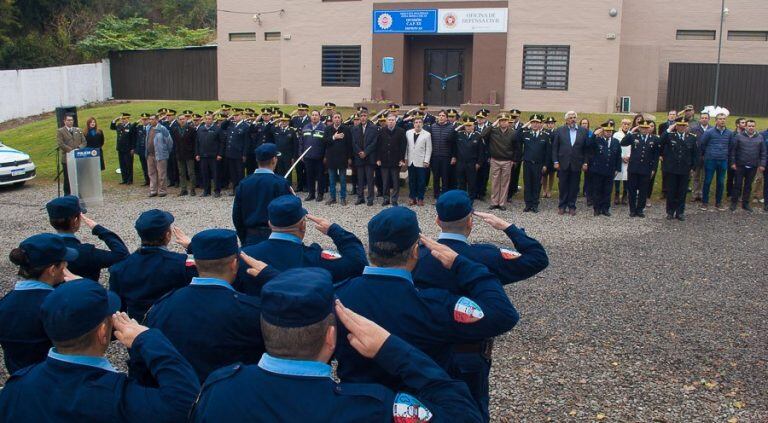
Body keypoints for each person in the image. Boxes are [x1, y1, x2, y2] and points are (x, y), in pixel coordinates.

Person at [190, 268, 481, 422]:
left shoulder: (219, 389)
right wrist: (391, 347)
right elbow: (463, 415)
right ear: (332, 338)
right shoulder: (370, 407)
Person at [334, 207, 519, 388]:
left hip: (356, 405)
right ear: (416, 251)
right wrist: (461, 264)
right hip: (424, 405)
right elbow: (503, 315)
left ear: (370, 250)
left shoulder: (337, 297)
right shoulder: (433, 305)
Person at [413, 190, 548, 421]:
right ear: (470, 222)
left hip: (427, 349)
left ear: (437, 220)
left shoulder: (420, 257)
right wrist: (508, 227)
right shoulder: (485, 256)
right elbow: (537, 258)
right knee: (473, 410)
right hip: (470, 352)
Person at [0, 280, 200, 422]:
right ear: (103, 331)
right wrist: (147, 338)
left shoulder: (16, 387)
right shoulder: (119, 399)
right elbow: (186, 402)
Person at [134, 229, 269, 384]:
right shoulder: (252, 311)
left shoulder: (162, 306)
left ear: (196, 264)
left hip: (179, 392)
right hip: (234, 395)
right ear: (234, 264)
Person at [236, 195, 367, 295]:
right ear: (303, 225)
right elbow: (358, 263)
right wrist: (334, 230)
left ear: (270, 224)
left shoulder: (247, 256)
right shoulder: (315, 258)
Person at [0, 234, 78, 374]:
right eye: (64, 262)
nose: (66, 265)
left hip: (18, 378)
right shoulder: (57, 305)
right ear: (52, 270)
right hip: (54, 379)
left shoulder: (5, 303)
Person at [108, 209, 197, 321]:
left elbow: (118, 311)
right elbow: (210, 269)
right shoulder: (180, 264)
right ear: (168, 235)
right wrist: (191, 246)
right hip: (176, 324)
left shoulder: (119, 269)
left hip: (139, 328)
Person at [46, 195, 128, 281]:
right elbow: (122, 254)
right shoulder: (87, 252)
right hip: (85, 293)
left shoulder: (42, 248)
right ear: (75, 220)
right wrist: (98, 229)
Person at [233, 144, 292, 246]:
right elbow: (288, 213)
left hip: (250, 235)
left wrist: (244, 237)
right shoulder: (280, 183)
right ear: (274, 159)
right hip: (276, 236)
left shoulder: (244, 183)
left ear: (257, 160)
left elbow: (237, 215)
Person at [659, 117, 698, 220]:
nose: (681, 127)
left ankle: (680, 212)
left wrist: (693, 167)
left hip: (685, 169)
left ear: (686, 126)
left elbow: (695, 154)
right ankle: (670, 212)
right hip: (671, 168)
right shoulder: (670, 136)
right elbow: (660, 141)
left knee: (682, 191)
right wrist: (668, 130)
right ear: (676, 126)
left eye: (683, 125)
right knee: (671, 191)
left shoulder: (692, 138)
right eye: (679, 125)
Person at [552, 111, 589, 215]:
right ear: (566, 120)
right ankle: (562, 205)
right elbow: (555, 148)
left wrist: (585, 162)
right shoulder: (560, 130)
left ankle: (572, 206)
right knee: (563, 185)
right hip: (563, 162)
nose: (572, 119)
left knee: (574, 186)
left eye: (574, 117)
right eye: (570, 117)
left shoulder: (583, 131)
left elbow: (586, 149)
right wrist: (555, 161)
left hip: (577, 163)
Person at [621, 119, 660, 218]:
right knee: (632, 190)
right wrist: (631, 131)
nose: (644, 130)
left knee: (643, 190)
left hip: (646, 168)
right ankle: (632, 210)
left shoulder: (654, 139)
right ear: (639, 128)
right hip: (634, 168)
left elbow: (656, 156)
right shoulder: (634, 136)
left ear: (649, 129)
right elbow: (623, 142)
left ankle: (640, 209)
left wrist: (653, 169)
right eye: (642, 127)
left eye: (646, 128)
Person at [483, 112, 521, 211]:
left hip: (507, 160)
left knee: (505, 182)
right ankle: (494, 202)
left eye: (505, 121)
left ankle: (502, 203)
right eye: (501, 121)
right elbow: (483, 135)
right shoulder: (493, 131)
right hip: (495, 159)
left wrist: (514, 160)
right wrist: (492, 125)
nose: (503, 123)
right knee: (495, 181)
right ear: (498, 122)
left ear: (508, 122)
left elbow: (517, 148)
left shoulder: (513, 133)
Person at [700, 113, 735, 211]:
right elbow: (702, 144)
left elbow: (731, 146)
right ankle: (705, 202)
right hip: (710, 160)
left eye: (724, 119)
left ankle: (718, 202)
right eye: (720, 119)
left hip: (723, 160)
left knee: (720, 182)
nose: (722, 121)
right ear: (716, 121)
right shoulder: (709, 132)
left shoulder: (730, 133)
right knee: (707, 181)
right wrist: (706, 155)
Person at [729, 120, 766, 212]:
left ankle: (745, 204)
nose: (751, 127)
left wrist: (762, 164)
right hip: (740, 165)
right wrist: (733, 163)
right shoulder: (739, 136)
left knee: (748, 186)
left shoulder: (760, 137)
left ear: (755, 127)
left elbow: (763, 153)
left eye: (753, 126)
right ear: (745, 127)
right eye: (749, 126)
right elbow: (733, 151)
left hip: (753, 166)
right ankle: (734, 203)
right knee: (737, 184)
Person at [586, 122, 622, 216]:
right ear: (603, 131)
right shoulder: (597, 140)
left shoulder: (616, 142)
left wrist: (617, 168)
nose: (608, 132)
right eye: (606, 131)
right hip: (598, 170)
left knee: (607, 191)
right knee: (597, 190)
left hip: (610, 170)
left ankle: (605, 208)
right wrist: (594, 134)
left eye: (610, 131)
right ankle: (597, 208)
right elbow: (588, 144)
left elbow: (618, 156)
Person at [519, 114, 552, 213]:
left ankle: (535, 204)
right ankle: (528, 204)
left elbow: (548, 152)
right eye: (533, 122)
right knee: (528, 184)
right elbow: (515, 137)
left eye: (537, 122)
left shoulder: (545, 136)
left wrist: (546, 165)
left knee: (537, 184)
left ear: (540, 124)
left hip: (539, 164)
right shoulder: (526, 134)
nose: (535, 124)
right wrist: (524, 126)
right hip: (528, 163)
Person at [376, 114, 407, 206]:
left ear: (395, 121)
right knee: (385, 181)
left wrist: (402, 159)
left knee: (395, 181)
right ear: (386, 121)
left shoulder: (401, 131)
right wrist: (378, 159)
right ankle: (386, 199)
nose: (391, 121)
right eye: (389, 120)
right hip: (384, 160)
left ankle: (394, 199)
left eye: (393, 120)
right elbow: (378, 146)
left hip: (396, 161)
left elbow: (403, 146)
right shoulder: (381, 131)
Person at [323, 112, 352, 206]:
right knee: (332, 180)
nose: (337, 119)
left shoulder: (346, 129)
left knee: (343, 180)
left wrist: (349, 157)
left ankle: (343, 198)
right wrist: (334, 137)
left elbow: (349, 144)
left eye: (338, 117)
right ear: (332, 119)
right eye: (335, 117)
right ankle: (333, 197)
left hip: (342, 158)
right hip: (331, 158)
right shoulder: (327, 129)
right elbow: (325, 142)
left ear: (341, 119)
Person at [427, 110, 457, 199]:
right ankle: (436, 195)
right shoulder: (433, 127)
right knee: (435, 177)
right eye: (439, 115)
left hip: (446, 156)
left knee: (445, 177)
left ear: (447, 118)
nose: (441, 117)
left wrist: (454, 156)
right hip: (435, 156)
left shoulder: (452, 128)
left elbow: (454, 144)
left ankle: (444, 196)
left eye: (443, 115)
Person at [352, 107, 379, 206]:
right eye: (361, 116)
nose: (363, 118)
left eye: (365, 116)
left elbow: (374, 142)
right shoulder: (354, 129)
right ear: (359, 118)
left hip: (369, 157)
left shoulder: (373, 128)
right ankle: (360, 197)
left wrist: (366, 152)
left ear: (367, 117)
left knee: (369, 179)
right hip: (359, 157)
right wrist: (360, 152)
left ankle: (370, 198)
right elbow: (353, 142)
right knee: (360, 179)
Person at [455, 117, 486, 201]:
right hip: (461, 163)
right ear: (464, 126)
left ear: (474, 126)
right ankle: (462, 199)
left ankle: (470, 200)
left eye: (470, 125)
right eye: (466, 125)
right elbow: (450, 136)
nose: (468, 127)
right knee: (461, 183)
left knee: (472, 183)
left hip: (472, 163)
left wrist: (479, 163)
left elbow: (481, 151)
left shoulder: (478, 136)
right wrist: (460, 126)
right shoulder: (459, 134)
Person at [300, 110, 327, 202]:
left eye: (316, 115)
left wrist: (325, 156)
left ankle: (320, 194)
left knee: (320, 177)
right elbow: (301, 142)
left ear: (319, 117)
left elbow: (327, 144)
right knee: (309, 176)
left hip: (319, 157)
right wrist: (301, 154)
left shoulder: (324, 128)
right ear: (310, 117)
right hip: (308, 157)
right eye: (313, 115)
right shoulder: (306, 127)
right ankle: (311, 193)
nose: (314, 117)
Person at [220, 108, 249, 195]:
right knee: (233, 173)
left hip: (239, 154)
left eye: (237, 115)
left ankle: (241, 190)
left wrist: (244, 154)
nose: (235, 117)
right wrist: (229, 118)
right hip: (230, 153)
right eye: (235, 115)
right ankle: (235, 190)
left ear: (242, 116)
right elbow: (222, 126)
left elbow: (246, 142)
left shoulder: (245, 126)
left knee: (240, 173)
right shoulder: (231, 124)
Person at [405, 114, 432, 206]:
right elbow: (407, 147)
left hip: (421, 161)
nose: (418, 124)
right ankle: (412, 197)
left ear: (422, 124)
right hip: (411, 160)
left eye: (420, 122)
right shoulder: (408, 133)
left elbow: (429, 148)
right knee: (411, 180)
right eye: (416, 122)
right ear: (413, 124)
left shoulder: (427, 134)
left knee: (421, 181)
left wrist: (426, 160)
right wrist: (405, 158)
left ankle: (420, 198)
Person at [195, 111, 224, 197]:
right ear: (204, 120)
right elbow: (197, 142)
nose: (208, 120)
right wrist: (197, 153)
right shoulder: (200, 129)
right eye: (206, 119)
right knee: (205, 174)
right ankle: (206, 190)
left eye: (210, 119)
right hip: (203, 155)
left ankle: (217, 191)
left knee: (216, 174)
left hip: (214, 156)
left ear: (213, 120)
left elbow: (222, 142)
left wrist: (220, 154)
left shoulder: (217, 129)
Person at [56, 114, 86, 195]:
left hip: (78, 157)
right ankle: (67, 194)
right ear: (64, 121)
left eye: (71, 120)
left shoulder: (78, 130)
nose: (70, 122)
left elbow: (84, 142)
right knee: (68, 178)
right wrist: (71, 150)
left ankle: (79, 193)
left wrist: (79, 148)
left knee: (79, 176)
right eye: (68, 120)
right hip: (67, 158)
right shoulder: (60, 131)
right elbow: (60, 144)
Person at [145, 114, 174, 198]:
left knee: (161, 174)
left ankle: (162, 190)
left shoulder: (162, 129)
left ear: (157, 120)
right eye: (149, 119)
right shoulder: (148, 128)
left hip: (160, 155)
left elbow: (169, 142)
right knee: (151, 173)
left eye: (152, 119)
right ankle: (153, 190)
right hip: (150, 155)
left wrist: (165, 151)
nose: (150, 121)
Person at [172, 111, 197, 196]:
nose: (182, 120)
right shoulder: (175, 130)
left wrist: (195, 153)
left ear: (186, 119)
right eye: (180, 119)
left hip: (189, 154)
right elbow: (175, 142)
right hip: (180, 154)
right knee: (181, 173)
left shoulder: (191, 129)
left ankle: (192, 189)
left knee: (191, 172)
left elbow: (195, 142)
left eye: (183, 119)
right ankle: (183, 189)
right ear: (178, 121)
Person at [689, 112, 711, 202]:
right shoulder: (694, 130)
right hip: (697, 157)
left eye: (706, 118)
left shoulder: (712, 129)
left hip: (708, 156)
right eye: (702, 118)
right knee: (696, 176)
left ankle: (702, 194)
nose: (704, 119)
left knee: (705, 176)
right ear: (700, 119)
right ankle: (695, 194)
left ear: (709, 119)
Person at [271, 112, 298, 185]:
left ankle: (288, 186)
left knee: (288, 172)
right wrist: (275, 121)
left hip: (288, 155)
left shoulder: (292, 131)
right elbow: (268, 128)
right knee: (280, 171)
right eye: (281, 120)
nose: (283, 122)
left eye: (285, 121)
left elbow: (295, 145)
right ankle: (281, 186)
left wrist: (294, 156)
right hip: (278, 154)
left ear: (288, 122)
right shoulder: (276, 130)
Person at [290, 103, 311, 192]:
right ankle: (299, 185)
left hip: (306, 145)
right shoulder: (294, 119)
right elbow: (286, 120)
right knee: (298, 167)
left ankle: (306, 185)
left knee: (306, 167)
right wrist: (292, 113)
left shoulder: (310, 119)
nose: (300, 112)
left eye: (302, 110)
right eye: (299, 110)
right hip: (296, 145)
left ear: (306, 111)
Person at [111, 113, 135, 184]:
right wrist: (115, 120)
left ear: (128, 119)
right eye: (122, 119)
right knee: (122, 164)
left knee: (128, 164)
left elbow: (133, 138)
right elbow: (112, 127)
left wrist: (133, 148)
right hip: (120, 148)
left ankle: (129, 180)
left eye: (124, 119)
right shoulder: (119, 125)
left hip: (128, 149)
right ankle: (124, 179)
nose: (123, 120)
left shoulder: (131, 126)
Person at [613, 118, 632, 205]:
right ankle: (617, 194)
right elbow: (615, 147)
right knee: (617, 176)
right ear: (621, 125)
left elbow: (633, 148)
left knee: (626, 177)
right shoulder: (616, 135)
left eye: (628, 124)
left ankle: (625, 195)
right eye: (624, 124)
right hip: (619, 158)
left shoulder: (631, 135)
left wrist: (629, 157)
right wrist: (621, 157)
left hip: (628, 159)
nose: (626, 126)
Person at [132, 113, 151, 186]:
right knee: (144, 167)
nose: (144, 121)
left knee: (150, 167)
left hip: (149, 151)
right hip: (141, 150)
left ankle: (152, 181)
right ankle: (147, 180)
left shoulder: (151, 127)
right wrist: (137, 122)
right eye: (143, 119)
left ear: (148, 120)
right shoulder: (139, 127)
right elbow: (131, 129)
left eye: (146, 119)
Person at [542, 116, 558, 198]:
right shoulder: (543, 132)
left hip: (553, 156)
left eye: (552, 123)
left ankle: (550, 190)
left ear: (554, 124)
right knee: (544, 174)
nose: (550, 125)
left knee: (552, 174)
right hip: (545, 155)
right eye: (549, 123)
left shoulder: (556, 132)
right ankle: (544, 190)